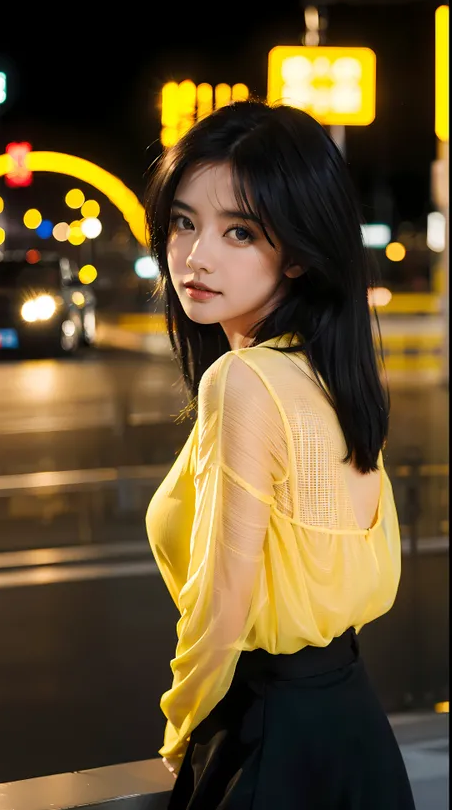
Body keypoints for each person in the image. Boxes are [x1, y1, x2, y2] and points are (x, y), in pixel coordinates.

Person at [144, 100, 416, 809]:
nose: (195, 256)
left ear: (297, 250)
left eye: (239, 230)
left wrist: (183, 730)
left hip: (268, 739)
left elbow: (220, 609)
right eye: (182, 221)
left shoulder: (243, 380)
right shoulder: (334, 377)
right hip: (354, 729)